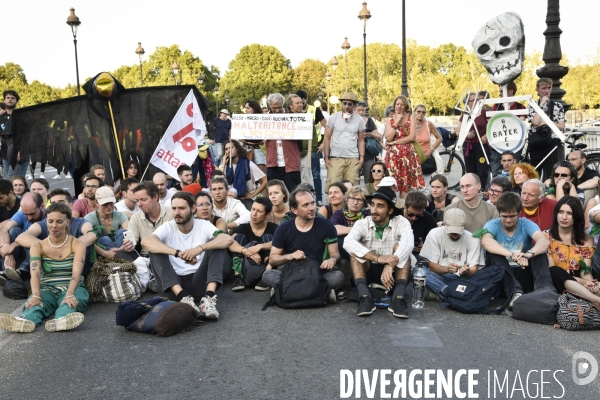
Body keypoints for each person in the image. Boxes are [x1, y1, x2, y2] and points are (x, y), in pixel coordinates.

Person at [141, 192, 234, 319]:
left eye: (182, 208)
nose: (177, 212)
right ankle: (183, 298)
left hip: (200, 282)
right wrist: (178, 253)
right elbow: (146, 242)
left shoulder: (203, 225)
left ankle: (208, 299)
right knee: (154, 249)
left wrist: (199, 249)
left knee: (217, 243)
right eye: (174, 208)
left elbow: (227, 239)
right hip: (174, 286)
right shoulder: (168, 227)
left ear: (193, 208)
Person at [0, 203, 88, 333]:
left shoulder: (78, 244)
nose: (54, 226)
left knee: (68, 304)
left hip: (72, 287)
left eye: (59, 221)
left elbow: (76, 272)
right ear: (46, 221)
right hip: (47, 287)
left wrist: (69, 294)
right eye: (50, 221)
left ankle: (62, 320)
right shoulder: (37, 246)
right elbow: (35, 273)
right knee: (34, 304)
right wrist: (36, 295)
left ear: (67, 222)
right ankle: (26, 321)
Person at [344, 186, 414, 317]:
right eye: (372, 205)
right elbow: (348, 242)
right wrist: (377, 258)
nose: (374, 210)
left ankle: (398, 299)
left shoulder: (401, 222)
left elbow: (408, 243)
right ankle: (364, 297)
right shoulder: (362, 223)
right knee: (355, 251)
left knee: (402, 248)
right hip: (369, 271)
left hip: (393, 275)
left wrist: (389, 264)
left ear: (390, 210)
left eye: (380, 206)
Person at [264, 187, 344, 301]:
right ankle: (321, 291)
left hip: (318, 273)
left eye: (312, 203)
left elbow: (335, 253)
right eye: (305, 205)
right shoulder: (284, 228)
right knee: (267, 275)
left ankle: (284, 290)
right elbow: (272, 259)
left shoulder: (326, 225)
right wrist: (289, 256)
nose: (312, 208)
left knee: (338, 277)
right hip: (292, 273)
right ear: (294, 210)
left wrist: (332, 260)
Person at [481, 192, 553, 310]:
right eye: (504, 216)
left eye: (512, 216)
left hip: (522, 272)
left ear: (519, 213)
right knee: (493, 254)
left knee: (539, 254)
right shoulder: (492, 224)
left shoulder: (526, 224)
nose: (508, 220)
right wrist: (510, 254)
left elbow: (543, 241)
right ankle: (515, 292)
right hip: (501, 279)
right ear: (499, 214)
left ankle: (545, 292)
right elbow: (486, 242)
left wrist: (528, 255)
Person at [15, 189, 96, 278]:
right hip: (49, 268)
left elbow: (91, 235)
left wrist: (65, 247)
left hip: (74, 268)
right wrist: (49, 247)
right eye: (53, 203)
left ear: (71, 205)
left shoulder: (81, 222)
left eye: (61, 202)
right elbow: (21, 237)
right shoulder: (45, 223)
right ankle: (24, 272)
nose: (58, 206)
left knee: (85, 245)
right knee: (31, 243)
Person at [420, 208, 486, 299]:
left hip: (462, 279)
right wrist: (447, 269)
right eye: (451, 233)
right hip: (440, 275)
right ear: (444, 225)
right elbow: (432, 266)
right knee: (419, 271)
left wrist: (466, 272)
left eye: (457, 233)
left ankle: (443, 292)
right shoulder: (434, 233)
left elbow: (474, 268)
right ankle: (450, 292)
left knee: (479, 279)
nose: (454, 236)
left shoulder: (472, 239)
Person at [545, 196, 600, 303]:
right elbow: (551, 269)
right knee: (554, 271)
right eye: (561, 212)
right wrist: (583, 282)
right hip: (557, 281)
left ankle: (590, 294)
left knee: (596, 285)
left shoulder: (586, 239)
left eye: (569, 213)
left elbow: (586, 270)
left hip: (580, 280)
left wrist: (589, 282)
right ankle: (596, 300)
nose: (564, 217)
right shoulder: (546, 237)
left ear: (577, 216)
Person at [229, 197, 278, 291]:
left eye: (259, 211)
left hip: (266, 264)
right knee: (238, 237)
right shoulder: (243, 227)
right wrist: (246, 251)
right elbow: (230, 243)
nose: (254, 214)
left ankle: (266, 278)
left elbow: (281, 243)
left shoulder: (273, 227)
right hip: (247, 265)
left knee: (269, 238)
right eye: (253, 209)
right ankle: (238, 277)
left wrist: (260, 246)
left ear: (267, 215)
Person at [384, 95, 424, 199]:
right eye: (397, 104)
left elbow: (411, 137)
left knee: (405, 185)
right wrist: (396, 122)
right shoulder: (389, 120)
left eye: (402, 104)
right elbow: (388, 138)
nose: (399, 106)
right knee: (391, 183)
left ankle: (402, 209)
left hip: (407, 157)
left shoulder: (412, 119)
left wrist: (395, 142)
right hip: (393, 157)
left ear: (406, 106)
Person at [323, 92, 365, 189]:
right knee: (333, 187)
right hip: (336, 157)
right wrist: (326, 157)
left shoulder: (359, 119)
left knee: (351, 188)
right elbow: (327, 138)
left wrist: (361, 157)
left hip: (353, 158)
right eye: (344, 103)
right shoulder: (334, 117)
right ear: (341, 104)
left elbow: (361, 140)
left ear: (354, 105)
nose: (347, 106)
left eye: (350, 104)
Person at [0, 192, 46, 282]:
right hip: (20, 255)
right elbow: (4, 230)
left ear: (42, 206)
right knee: (13, 230)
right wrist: (8, 253)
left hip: (39, 257)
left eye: (32, 214)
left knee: (30, 240)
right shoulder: (22, 213)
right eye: (26, 214)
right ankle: (8, 270)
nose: (28, 218)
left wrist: (12, 246)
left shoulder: (50, 218)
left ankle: (23, 271)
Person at [527, 78, 566, 180]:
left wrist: (546, 123)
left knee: (552, 172)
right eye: (543, 88)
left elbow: (561, 126)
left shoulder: (557, 106)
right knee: (535, 172)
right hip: (536, 142)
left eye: (549, 88)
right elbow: (535, 122)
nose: (546, 91)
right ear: (537, 90)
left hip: (551, 141)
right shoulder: (532, 105)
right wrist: (540, 105)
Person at [451, 92, 491, 188]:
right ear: (467, 103)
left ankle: (483, 190)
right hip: (468, 146)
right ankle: (472, 189)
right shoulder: (465, 115)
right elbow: (458, 131)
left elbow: (492, 127)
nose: (476, 102)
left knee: (482, 170)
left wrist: (485, 136)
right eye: (473, 100)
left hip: (481, 145)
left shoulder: (484, 112)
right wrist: (466, 135)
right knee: (470, 169)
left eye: (477, 100)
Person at [265, 93, 301, 193]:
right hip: (273, 164)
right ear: (270, 106)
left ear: (283, 105)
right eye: (274, 108)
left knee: (294, 193)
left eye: (279, 107)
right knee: (274, 192)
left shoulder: (293, 118)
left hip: (291, 163)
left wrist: (308, 125)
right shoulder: (264, 120)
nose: (277, 111)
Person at [84, 186, 132, 258]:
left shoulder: (121, 216)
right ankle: (119, 259)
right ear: (96, 203)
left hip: (121, 249)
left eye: (111, 203)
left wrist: (120, 248)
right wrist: (105, 253)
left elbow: (130, 236)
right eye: (105, 204)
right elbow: (87, 241)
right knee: (104, 239)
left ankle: (116, 258)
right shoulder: (89, 218)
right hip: (101, 253)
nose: (109, 206)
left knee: (123, 231)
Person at [490, 82, 526, 175]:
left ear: (511, 91)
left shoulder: (520, 107)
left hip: (515, 145)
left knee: (514, 172)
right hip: (499, 145)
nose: (500, 94)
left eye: (502, 91)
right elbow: (493, 124)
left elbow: (520, 126)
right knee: (494, 171)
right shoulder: (496, 106)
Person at [129, 182, 174, 257]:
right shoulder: (135, 217)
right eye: (137, 201)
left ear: (155, 197)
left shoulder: (171, 214)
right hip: (144, 258)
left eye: (143, 200)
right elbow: (132, 241)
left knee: (155, 251)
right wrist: (128, 245)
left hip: (167, 254)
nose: (139, 204)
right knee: (121, 253)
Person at [330, 186, 371, 261]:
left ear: (364, 203)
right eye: (352, 198)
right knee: (339, 239)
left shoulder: (367, 214)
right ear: (347, 200)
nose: (355, 202)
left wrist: (345, 231)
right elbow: (333, 229)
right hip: (344, 249)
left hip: (363, 249)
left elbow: (369, 230)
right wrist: (358, 230)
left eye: (359, 200)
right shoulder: (339, 214)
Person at [413, 104, 442, 195]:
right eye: (418, 111)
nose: (421, 114)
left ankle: (426, 206)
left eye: (423, 112)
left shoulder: (428, 124)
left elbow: (439, 138)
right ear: (414, 112)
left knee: (425, 187)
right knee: (412, 186)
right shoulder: (408, 124)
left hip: (426, 158)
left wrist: (431, 149)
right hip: (412, 158)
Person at [0, 90, 28, 179]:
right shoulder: (1, 118)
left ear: (16, 101)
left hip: (19, 152)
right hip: (5, 153)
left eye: (13, 98)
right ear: (4, 100)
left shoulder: (22, 116)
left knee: (13, 180)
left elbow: (27, 135)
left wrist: (21, 150)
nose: (10, 100)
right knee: (14, 182)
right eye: (8, 98)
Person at [400, 191, 437, 256]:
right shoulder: (396, 216)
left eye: (418, 216)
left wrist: (425, 246)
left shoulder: (428, 218)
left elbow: (436, 241)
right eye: (410, 214)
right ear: (405, 206)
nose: (414, 218)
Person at [355, 101, 382, 184]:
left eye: (363, 110)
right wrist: (359, 136)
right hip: (354, 154)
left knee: (369, 179)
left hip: (368, 154)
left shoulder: (369, 121)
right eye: (358, 110)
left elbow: (379, 136)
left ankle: (369, 196)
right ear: (354, 110)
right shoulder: (351, 121)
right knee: (355, 179)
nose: (361, 112)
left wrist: (371, 134)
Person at [241, 100, 267, 179]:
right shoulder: (244, 120)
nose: (246, 110)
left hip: (258, 148)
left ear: (254, 109)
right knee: (248, 174)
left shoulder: (262, 120)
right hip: (247, 148)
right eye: (246, 108)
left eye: (248, 108)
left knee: (262, 176)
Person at [311, 99, 330, 206]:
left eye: (301, 101)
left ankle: (318, 198)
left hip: (315, 146)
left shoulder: (314, 110)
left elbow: (327, 126)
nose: (299, 104)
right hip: (299, 149)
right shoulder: (290, 113)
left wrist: (323, 143)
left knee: (316, 174)